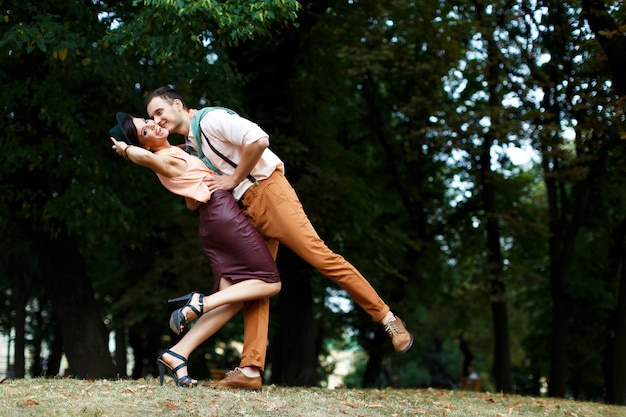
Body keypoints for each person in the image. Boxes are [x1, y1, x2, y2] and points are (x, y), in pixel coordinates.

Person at [145, 86, 414, 390]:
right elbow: (195, 198)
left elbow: (259, 139)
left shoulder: (210, 120)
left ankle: (388, 319)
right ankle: (250, 369)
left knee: (323, 258)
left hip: (269, 192)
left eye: (159, 111)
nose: (157, 119)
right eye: (151, 116)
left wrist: (232, 178)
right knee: (253, 285)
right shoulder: (190, 148)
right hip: (242, 209)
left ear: (178, 105)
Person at [109, 112, 281, 388]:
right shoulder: (161, 159)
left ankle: (178, 353)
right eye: (145, 132)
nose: (153, 124)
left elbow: (190, 200)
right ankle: (200, 303)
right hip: (223, 215)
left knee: (232, 299)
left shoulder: (173, 154)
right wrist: (127, 150)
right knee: (270, 283)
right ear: (144, 146)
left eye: (147, 120)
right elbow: (148, 160)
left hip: (211, 221)